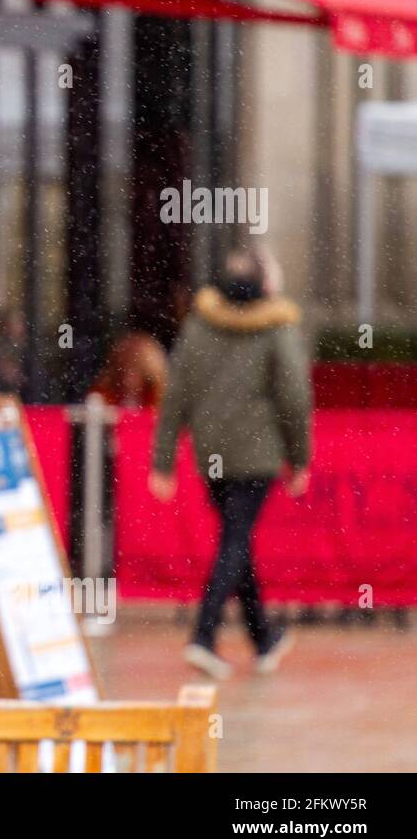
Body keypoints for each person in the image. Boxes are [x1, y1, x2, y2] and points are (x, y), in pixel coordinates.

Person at [149, 247, 311, 679]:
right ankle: (203, 635)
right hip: (257, 457)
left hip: (212, 456)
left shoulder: (200, 326)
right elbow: (294, 398)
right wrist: (299, 458)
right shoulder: (278, 329)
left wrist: (162, 461)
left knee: (235, 540)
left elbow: (175, 393)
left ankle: (264, 639)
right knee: (235, 540)